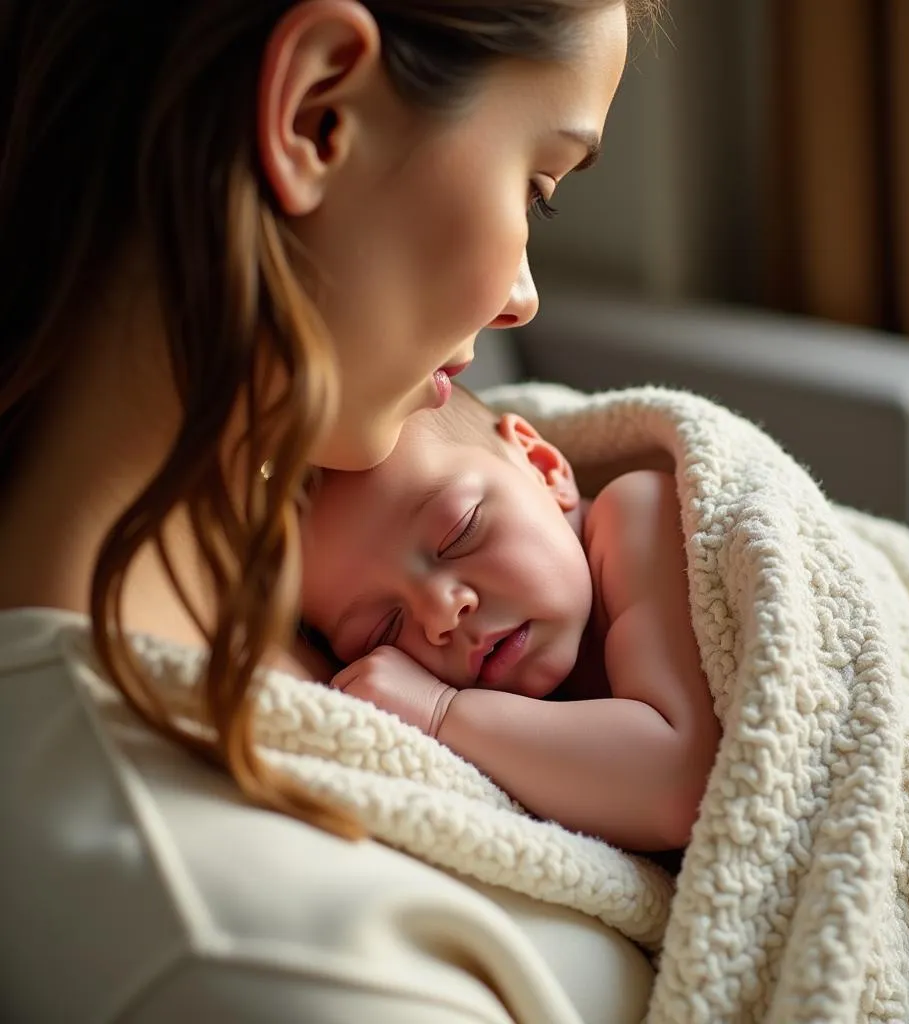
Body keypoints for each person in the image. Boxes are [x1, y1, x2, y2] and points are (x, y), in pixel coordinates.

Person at [0, 2, 660, 1020]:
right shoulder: (254, 958)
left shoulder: (345, 482)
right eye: (536, 185)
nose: (521, 298)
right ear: (317, 113)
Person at [300, 387, 721, 852]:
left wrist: (440, 711)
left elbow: (680, 786)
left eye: (460, 532)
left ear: (543, 467)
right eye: (383, 630)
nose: (442, 612)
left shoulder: (636, 515)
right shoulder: (495, 735)